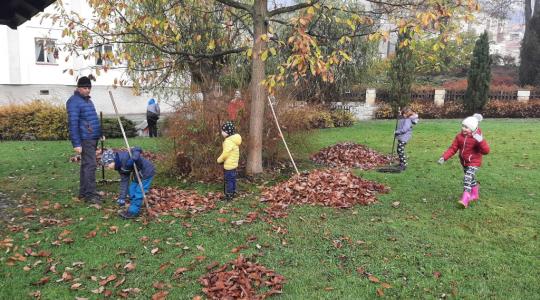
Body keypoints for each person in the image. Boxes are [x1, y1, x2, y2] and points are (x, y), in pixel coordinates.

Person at [438, 113, 490, 208]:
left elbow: (486, 151)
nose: (463, 129)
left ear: (473, 129)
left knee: (467, 177)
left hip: (474, 162)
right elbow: (453, 148)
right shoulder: (459, 137)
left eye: (466, 127)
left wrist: (481, 140)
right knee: (471, 178)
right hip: (464, 162)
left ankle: (465, 198)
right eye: (463, 126)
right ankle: (475, 194)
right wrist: (444, 157)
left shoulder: (477, 138)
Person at [66, 76, 102, 204]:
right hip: (85, 139)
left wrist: (100, 133)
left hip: (92, 137)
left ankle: (84, 192)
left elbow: (92, 119)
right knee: (90, 166)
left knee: (86, 166)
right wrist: (76, 143)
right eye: (85, 88)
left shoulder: (87, 101)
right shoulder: (74, 102)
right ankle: (90, 195)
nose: (87, 90)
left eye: (89, 88)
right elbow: (73, 123)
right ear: (78, 88)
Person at [101, 147, 155, 219]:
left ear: (112, 160)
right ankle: (134, 205)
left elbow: (137, 149)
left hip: (147, 172)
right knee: (131, 189)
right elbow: (124, 182)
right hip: (137, 174)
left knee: (139, 192)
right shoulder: (120, 168)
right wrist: (122, 197)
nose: (107, 168)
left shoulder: (125, 156)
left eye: (107, 165)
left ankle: (133, 212)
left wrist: (133, 158)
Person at [217, 121, 242, 201]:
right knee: (233, 179)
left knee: (228, 181)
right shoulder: (234, 140)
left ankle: (229, 195)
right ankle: (234, 192)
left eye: (223, 131)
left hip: (229, 165)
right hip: (234, 164)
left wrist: (219, 160)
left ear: (227, 132)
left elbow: (225, 154)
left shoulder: (228, 141)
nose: (222, 132)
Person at [394, 107, 419, 171]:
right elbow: (401, 119)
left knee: (400, 150)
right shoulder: (406, 118)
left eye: (404, 114)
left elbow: (404, 129)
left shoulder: (408, 120)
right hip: (402, 137)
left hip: (404, 137)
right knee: (398, 150)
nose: (403, 115)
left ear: (407, 114)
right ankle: (401, 163)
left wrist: (397, 132)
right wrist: (399, 114)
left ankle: (404, 164)